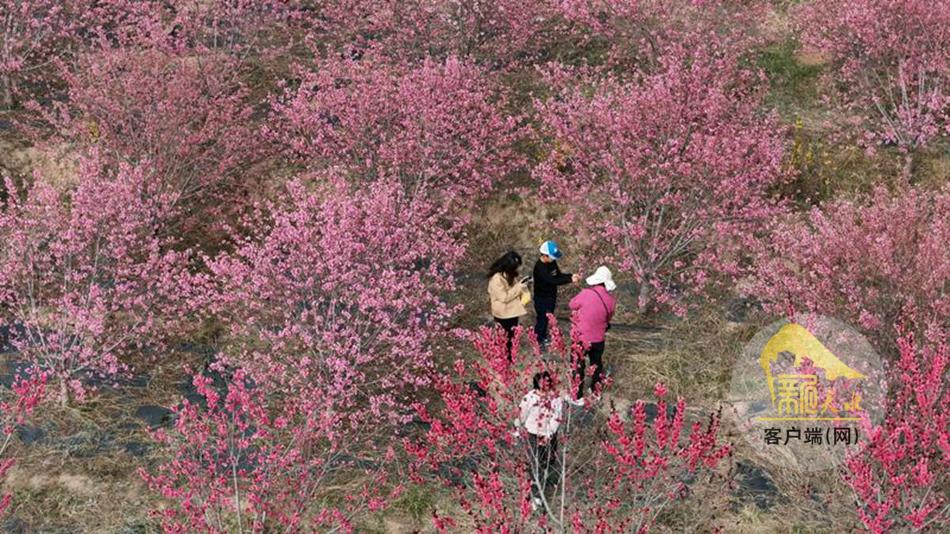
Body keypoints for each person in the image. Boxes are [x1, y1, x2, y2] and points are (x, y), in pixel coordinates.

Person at [517, 371, 584, 511]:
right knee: (535, 463)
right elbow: (522, 415)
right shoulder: (529, 398)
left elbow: (556, 417)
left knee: (548, 460)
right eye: (543, 384)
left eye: (548, 383)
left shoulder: (555, 398)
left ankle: (543, 477)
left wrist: (548, 434)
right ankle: (536, 494)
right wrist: (518, 428)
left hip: (549, 434)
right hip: (533, 434)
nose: (546, 387)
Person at [569, 266, 617, 398]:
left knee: (577, 365)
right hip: (598, 339)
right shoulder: (611, 300)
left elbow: (572, 305)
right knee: (596, 364)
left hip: (581, 337)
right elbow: (608, 317)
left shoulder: (586, 293)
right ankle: (595, 391)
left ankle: (577, 395)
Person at [532, 240, 579, 348]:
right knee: (542, 318)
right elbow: (552, 281)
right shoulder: (540, 268)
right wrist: (570, 280)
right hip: (542, 298)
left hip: (551, 295)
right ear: (544, 256)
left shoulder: (551, 262)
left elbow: (558, 275)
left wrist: (570, 276)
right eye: (552, 257)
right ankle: (539, 339)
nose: (554, 259)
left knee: (548, 316)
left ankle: (542, 335)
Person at [487, 251, 530, 358]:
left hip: (512, 311)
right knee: (504, 337)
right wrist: (519, 287)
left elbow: (514, 289)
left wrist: (522, 285)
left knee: (511, 336)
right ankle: (502, 357)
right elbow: (504, 297)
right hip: (503, 313)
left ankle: (509, 357)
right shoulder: (497, 278)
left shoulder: (508, 274)